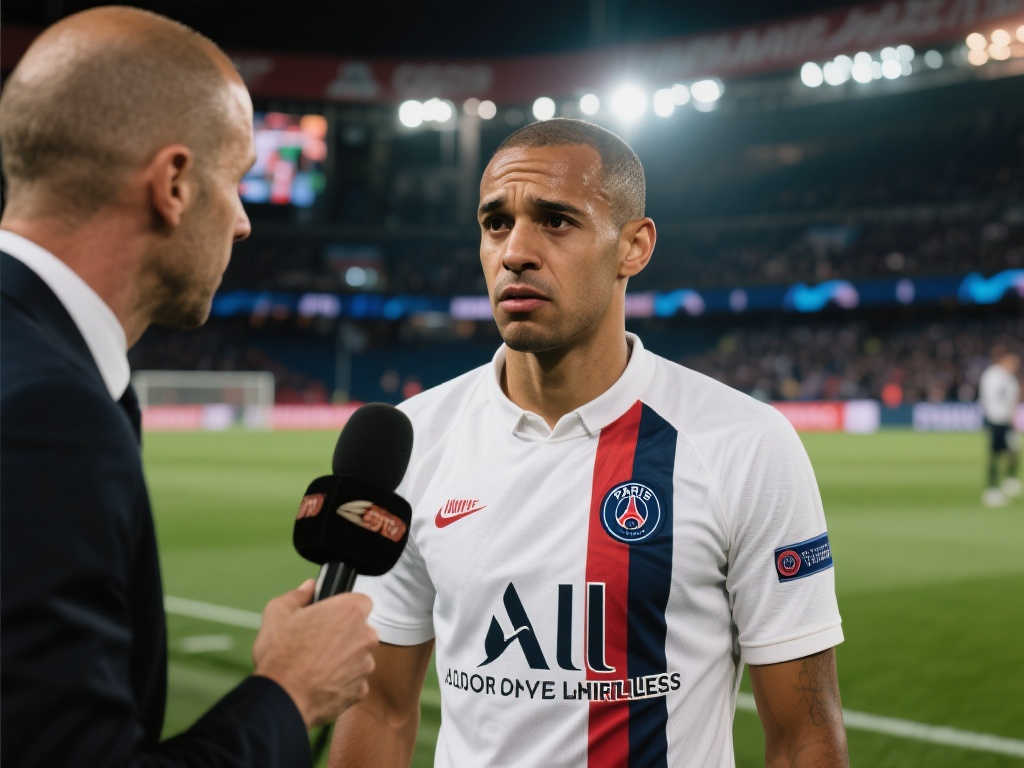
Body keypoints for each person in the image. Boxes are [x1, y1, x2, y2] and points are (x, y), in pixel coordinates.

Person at [329, 119, 848, 767]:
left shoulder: (745, 445)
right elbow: (378, 709)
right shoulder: (415, 440)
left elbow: (803, 738)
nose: (515, 251)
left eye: (556, 221)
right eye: (496, 223)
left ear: (634, 246)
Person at [0, 8, 377, 766]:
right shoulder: (48, 414)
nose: (242, 223)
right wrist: (290, 692)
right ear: (173, 183)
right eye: (235, 181)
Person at [979, 348, 1021, 507]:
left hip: (1007, 421)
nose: (1015, 366)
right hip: (996, 420)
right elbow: (990, 399)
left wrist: (1012, 418)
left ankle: (1009, 481)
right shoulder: (992, 375)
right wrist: (993, 417)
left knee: (1014, 449)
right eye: (1013, 362)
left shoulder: (1010, 378)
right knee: (995, 455)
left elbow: (1013, 400)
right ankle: (991, 490)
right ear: (1004, 360)